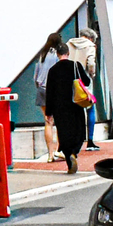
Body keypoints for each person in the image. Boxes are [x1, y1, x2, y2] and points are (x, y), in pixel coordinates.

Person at [42, 30, 90, 173]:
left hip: (59, 108)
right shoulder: (76, 66)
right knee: (78, 131)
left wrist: (49, 112)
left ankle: (69, 158)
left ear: (57, 54)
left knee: (64, 133)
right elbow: (86, 82)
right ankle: (75, 152)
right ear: (68, 53)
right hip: (75, 104)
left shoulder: (53, 70)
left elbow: (49, 93)